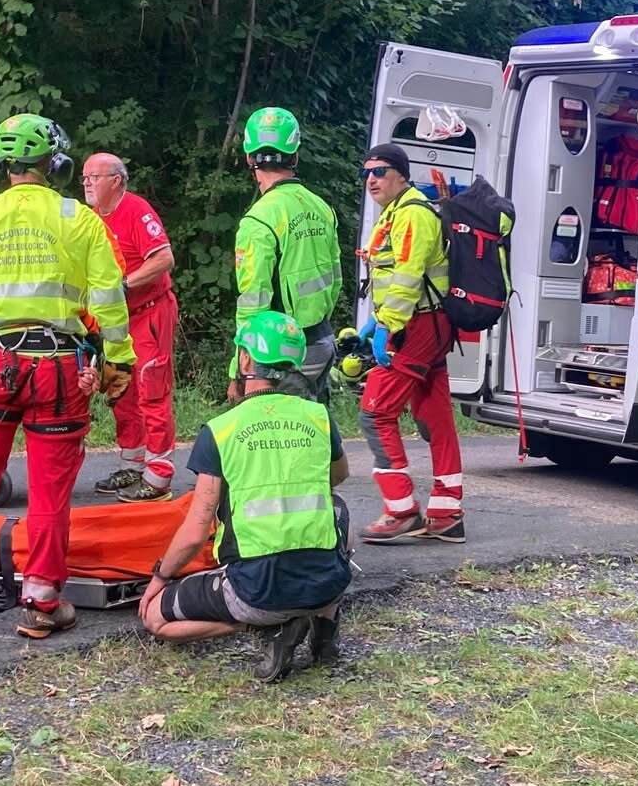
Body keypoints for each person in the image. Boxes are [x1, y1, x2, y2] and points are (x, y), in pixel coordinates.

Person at [0, 114, 135, 640]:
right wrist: (118, 361)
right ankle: (42, 604)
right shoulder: (79, 220)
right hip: (59, 368)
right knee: (49, 492)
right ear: (54, 164)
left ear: (4, 164)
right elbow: (109, 298)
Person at [139, 309, 350, 683]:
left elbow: (195, 529)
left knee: (157, 617)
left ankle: (264, 625)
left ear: (246, 358)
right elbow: (338, 476)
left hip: (257, 590)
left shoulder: (221, 429)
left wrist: (159, 578)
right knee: (338, 508)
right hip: (326, 585)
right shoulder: (318, 416)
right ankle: (321, 627)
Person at [356, 141, 465, 543]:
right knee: (437, 419)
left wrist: (386, 325)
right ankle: (447, 512)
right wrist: (375, 323)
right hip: (426, 326)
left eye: (379, 171)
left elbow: (407, 276)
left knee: (375, 412)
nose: (371, 179)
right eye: (365, 173)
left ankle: (401, 510)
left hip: (416, 327)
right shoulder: (397, 213)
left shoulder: (413, 214)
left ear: (401, 174)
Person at [82, 152, 178, 502]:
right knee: (119, 389)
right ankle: (133, 463)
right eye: (84, 177)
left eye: (94, 176)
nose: (87, 183)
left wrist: (124, 285)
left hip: (150, 311)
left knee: (151, 387)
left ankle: (159, 475)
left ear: (116, 180)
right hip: (116, 319)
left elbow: (164, 259)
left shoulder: (136, 209)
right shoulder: (91, 219)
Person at [232, 106, 342, 401]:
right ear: (294, 155)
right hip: (322, 339)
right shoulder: (321, 207)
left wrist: (238, 368)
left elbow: (253, 300)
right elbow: (335, 281)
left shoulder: (259, 220)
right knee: (315, 432)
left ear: (249, 157)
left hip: (281, 351)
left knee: (279, 437)